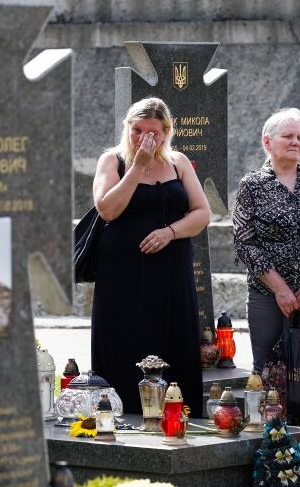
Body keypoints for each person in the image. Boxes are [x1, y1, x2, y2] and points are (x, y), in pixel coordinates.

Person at [90, 97, 210, 417]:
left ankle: (179, 416)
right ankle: (122, 415)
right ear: (127, 127)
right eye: (136, 129)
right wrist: (138, 165)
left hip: (171, 272)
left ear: (166, 131)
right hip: (123, 274)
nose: (144, 138)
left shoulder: (179, 162)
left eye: (153, 132)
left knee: (174, 344)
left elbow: (202, 214)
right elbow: (107, 209)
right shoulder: (112, 161)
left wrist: (170, 232)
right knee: (126, 343)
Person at [233, 108, 300, 419]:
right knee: (265, 370)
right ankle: (268, 448)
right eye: (288, 136)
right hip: (268, 296)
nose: (295, 142)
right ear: (268, 141)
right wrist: (280, 289)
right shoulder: (252, 186)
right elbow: (245, 240)